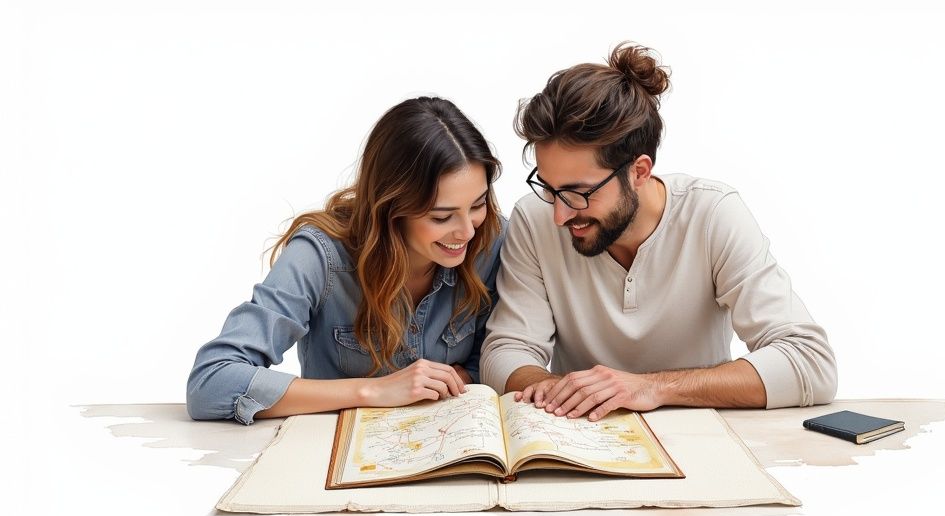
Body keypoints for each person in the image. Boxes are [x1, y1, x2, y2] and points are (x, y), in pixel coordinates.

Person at [480, 43, 837, 421]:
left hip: (704, 441)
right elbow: (506, 350)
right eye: (549, 188)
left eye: (578, 193)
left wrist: (651, 387)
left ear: (639, 171)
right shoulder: (533, 219)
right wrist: (560, 392)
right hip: (584, 436)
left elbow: (810, 362)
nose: (559, 214)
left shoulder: (712, 214)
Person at [188, 96, 506, 424]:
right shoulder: (319, 257)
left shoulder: (492, 242)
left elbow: (492, 356)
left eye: (478, 204)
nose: (467, 231)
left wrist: (463, 378)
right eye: (442, 217)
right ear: (390, 209)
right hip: (330, 457)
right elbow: (211, 382)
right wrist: (373, 392)